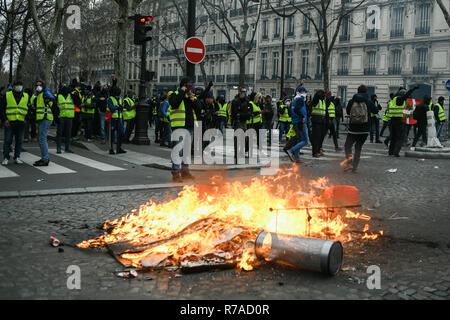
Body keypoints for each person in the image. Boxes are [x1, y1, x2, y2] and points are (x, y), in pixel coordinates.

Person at [342, 85, 378, 172]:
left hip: (353, 129)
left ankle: (349, 163)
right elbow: (376, 111)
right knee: (358, 148)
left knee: (348, 146)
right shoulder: (368, 101)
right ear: (366, 92)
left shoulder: (352, 101)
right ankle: (355, 167)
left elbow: (347, 111)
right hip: (364, 130)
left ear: (357, 91)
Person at [168, 78, 198, 182]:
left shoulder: (191, 96)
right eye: (188, 86)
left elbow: (199, 109)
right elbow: (174, 104)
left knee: (187, 151)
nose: (190, 88)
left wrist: (193, 100)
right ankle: (175, 172)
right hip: (179, 126)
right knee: (178, 150)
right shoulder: (175, 94)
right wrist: (182, 91)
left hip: (190, 126)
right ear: (183, 86)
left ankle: (185, 171)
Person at [1, 80, 29, 165]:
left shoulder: (26, 96)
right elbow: (2, 108)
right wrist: (4, 119)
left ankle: (17, 157)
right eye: (17, 85)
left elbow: (28, 108)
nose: (19, 87)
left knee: (19, 141)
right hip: (9, 122)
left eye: (20, 85)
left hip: (21, 122)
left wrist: (26, 119)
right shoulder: (7, 95)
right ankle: (6, 158)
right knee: (7, 141)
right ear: (14, 86)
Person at [387, 86, 419, 157]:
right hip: (399, 121)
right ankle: (396, 152)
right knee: (400, 137)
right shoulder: (400, 100)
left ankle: (390, 152)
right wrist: (413, 89)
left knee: (393, 137)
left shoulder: (393, 100)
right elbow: (406, 95)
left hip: (392, 120)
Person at [33, 82, 56, 166]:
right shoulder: (39, 95)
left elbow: (52, 99)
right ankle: (44, 158)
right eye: (37, 85)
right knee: (40, 139)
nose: (38, 87)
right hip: (42, 118)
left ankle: (45, 159)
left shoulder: (45, 93)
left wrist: (47, 94)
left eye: (40, 85)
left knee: (42, 139)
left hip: (46, 118)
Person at [284, 86, 309, 163]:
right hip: (300, 122)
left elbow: (291, 111)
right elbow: (296, 109)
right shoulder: (300, 100)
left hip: (295, 122)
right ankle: (291, 150)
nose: (306, 93)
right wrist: (302, 117)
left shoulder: (294, 100)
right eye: (305, 92)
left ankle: (297, 158)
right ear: (302, 92)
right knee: (305, 141)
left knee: (299, 140)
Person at [56, 84, 75, 154]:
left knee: (68, 133)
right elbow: (55, 107)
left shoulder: (71, 96)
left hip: (69, 117)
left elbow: (78, 99)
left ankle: (67, 147)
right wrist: (56, 117)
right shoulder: (59, 96)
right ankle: (58, 147)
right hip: (61, 117)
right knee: (59, 133)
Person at [107, 86, 126, 154]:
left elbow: (122, 108)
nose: (118, 96)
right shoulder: (110, 99)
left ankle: (119, 148)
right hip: (112, 118)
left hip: (119, 118)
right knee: (112, 135)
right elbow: (111, 108)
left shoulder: (120, 99)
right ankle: (111, 149)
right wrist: (118, 106)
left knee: (122, 133)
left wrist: (121, 107)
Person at [310, 89, 326, 157]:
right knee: (316, 137)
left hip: (322, 121)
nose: (324, 96)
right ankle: (315, 152)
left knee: (320, 137)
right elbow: (317, 96)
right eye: (323, 95)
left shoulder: (323, 101)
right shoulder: (316, 100)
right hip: (316, 121)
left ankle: (318, 150)